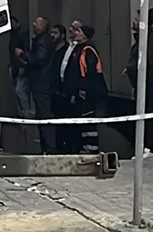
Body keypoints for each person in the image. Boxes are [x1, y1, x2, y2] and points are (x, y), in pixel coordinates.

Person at [60, 22, 107, 154]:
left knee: (88, 120)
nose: (75, 33)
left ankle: (91, 149)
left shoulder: (88, 51)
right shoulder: (76, 48)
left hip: (87, 93)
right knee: (81, 120)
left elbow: (89, 72)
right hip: (77, 92)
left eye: (78, 31)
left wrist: (83, 89)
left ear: (85, 35)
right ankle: (83, 147)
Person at [23, 16, 54, 153]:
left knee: (44, 116)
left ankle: (49, 148)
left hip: (42, 84)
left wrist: (25, 55)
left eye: (36, 22)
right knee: (42, 116)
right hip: (41, 83)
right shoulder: (42, 41)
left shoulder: (42, 42)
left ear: (43, 26)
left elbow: (39, 59)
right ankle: (46, 147)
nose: (33, 24)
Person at [8, 16, 32, 122]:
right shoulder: (12, 35)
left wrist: (23, 65)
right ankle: (21, 112)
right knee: (16, 90)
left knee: (20, 90)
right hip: (14, 66)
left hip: (20, 66)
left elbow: (23, 52)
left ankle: (26, 112)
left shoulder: (22, 35)